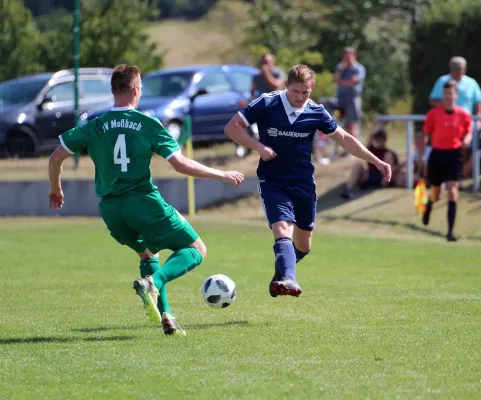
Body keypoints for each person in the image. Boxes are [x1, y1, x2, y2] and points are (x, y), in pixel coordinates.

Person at [47, 64, 245, 336]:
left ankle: (167, 317)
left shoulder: (95, 125)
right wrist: (221, 174)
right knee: (197, 249)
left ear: (114, 89)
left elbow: (55, 157)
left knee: (148, 253)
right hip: (143, 201)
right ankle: (155, 282)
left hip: (111, 210)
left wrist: (56, 189)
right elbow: (181, 165)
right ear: (136, 90)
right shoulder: (148, 123)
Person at [224, 64, 392, 297]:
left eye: (306, 92)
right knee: (283, 228)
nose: (301, 97)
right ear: (286, 86)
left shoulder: (316, 111)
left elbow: (344, 139)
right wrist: (259, 147)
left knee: (304, 245)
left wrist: (376, 161)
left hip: (303, 184)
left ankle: (282, 272)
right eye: (296, 92)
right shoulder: (267, 102)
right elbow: (232, 128)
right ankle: (289, 279)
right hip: (273, 181)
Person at [422, 80, 473, 242]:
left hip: (454, 155)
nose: (448, 96)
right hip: (437, 154)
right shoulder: (433, 114)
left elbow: (469, 131)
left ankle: (450, 232)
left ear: (456, 95)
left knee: (452, 190)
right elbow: (425, 134)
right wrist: (423, 155)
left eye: (451, 93)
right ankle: (428, 206)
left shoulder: (463, 114)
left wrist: (467, 140)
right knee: (436, 194)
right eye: (445, 94)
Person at [341, 125, 400, 200]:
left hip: (382, 178)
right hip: (370, 175)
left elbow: (395, 168)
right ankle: (347, 188)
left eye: (380, 139)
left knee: (388, 156)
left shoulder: (390, 153)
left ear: (384, 139)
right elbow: (368, 141)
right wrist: (374, 131)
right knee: (357, 165)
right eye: (377, 139)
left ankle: (384, 183)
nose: (379, 141)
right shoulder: (371, 149)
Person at [429, 56, 481, 130]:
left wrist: (479, 120)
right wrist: (447, 102)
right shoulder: (442, 81)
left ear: (464, 69)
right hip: (445, 124)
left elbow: (478, 103)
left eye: (459, 69)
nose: (456, 71)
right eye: (454, 68)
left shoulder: (472, 83)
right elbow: (432, 101)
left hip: (466, 124)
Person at [332, 47, 366, 141]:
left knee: (351, 124)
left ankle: (353, 148)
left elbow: (353, 82)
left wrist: (341, 81)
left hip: (352, 98)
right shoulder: (340, 67)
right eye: (345, 56)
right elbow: (334, 80)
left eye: (348, 56)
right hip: (340, 98)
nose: (346, 59)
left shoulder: (359, 68)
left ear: (354, 56)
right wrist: (341, 70)